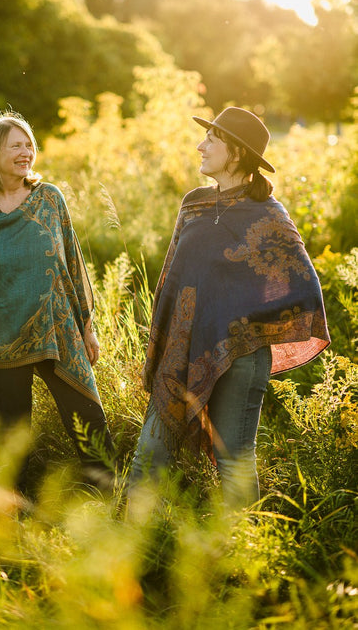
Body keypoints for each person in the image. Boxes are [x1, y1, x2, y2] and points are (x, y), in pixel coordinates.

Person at [129, 107, 330, 508]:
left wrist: (244, 324)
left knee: (234, 462)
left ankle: (244, 557)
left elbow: (304, 287)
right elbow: (172, 279)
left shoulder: (269, 215)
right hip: (183, 351)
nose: (200, 146)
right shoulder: (193, 205)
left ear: (236, 153)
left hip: (241, 356)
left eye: (211, 140)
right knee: (149, 455)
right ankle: (126, 550)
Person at [0, 111, 114, 497]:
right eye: (16, 145)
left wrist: (86, 326)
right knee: (11, 433)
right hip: (0, 337)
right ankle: (14, 520)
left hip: (56, 329)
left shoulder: (49, 199)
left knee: (87, 416)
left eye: (29, 144)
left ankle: (112, 501)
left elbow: (72, 263)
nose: (27, 152)